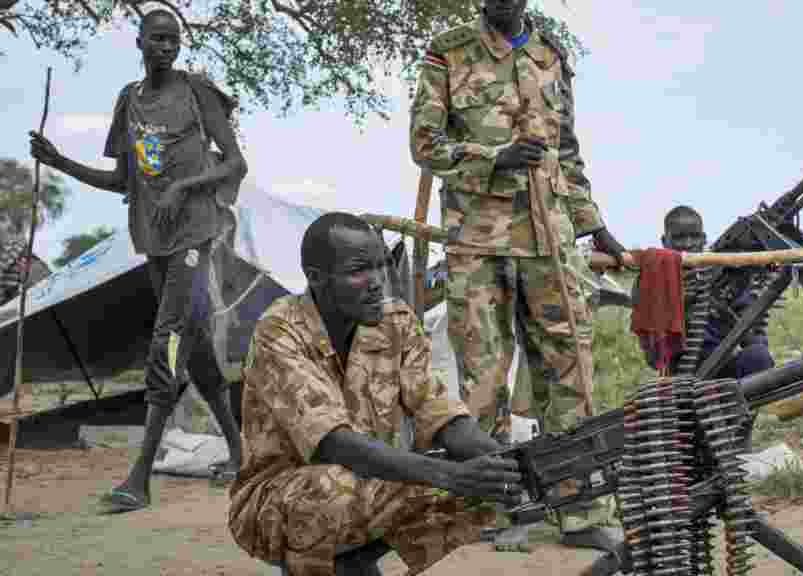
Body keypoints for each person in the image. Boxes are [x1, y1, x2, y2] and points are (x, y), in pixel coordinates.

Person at [409, 0, 626, 551]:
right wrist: (494, 157)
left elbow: (567, 154)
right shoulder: (448, 52)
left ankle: (577, 509)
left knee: (568, 373)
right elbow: (424, 144)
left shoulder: (551, 56)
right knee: (483, 377)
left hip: (549, 242)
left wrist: (592, 224)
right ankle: (499, 507)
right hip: (477, 241)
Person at [28, 8, 246, 511]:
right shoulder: (129, 101)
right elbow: (121, 181)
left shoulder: (198, 94)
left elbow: (236, 162)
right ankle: (240, 453)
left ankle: (139, 479)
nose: (166, 47)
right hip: (153, 240)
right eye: (157, 39)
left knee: (166, 341)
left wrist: (183, 187)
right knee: (194, 351)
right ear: (140, 42)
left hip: (195, 234)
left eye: (173, 40)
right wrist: (58, 161)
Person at [228, 212, 522, 576]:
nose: (377, 282)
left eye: (381, 266)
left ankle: (355, 564)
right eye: (358, 271)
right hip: (275, 500)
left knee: (475, 485)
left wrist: (507, 462)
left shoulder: (395, 323)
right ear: (316, 278)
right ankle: (321, 566)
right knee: (340, 485)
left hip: (367, 481)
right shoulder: (280, 330)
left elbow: (438, 410)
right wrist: (449, 475)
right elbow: (333, 443)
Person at [633, 205, 776, 379]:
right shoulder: (651, 281)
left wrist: (729, 314)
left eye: (694, 236)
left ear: (703, 239)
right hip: (681, 376)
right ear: (664, 241)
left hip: (722, 365)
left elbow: (753, 334)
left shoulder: (721, 273)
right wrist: (681, 306)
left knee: (758, 356)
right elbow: (653, 359)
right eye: (679, 238)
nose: (687, 244)